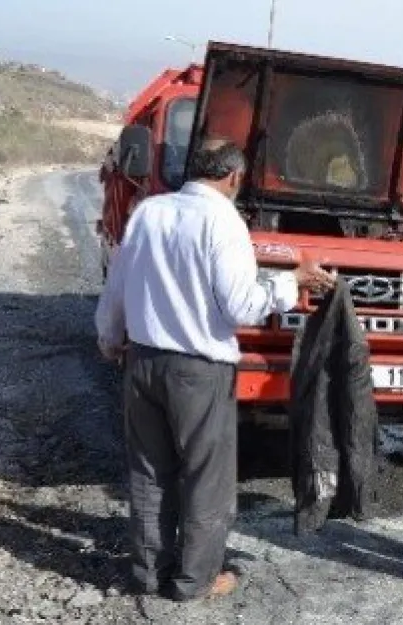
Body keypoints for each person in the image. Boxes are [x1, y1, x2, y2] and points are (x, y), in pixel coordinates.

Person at [94, 138, 335, 602]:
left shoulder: (150, 211)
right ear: (234, 177)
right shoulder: (223, 222)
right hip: (198, 371)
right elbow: (241, 305)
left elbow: (119, 285)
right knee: (206, 478)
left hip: (142, 363)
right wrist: (291, 283)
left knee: (149, 474)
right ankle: (195, 581)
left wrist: (108, 338)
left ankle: (148, 574)